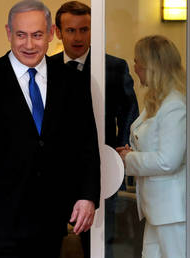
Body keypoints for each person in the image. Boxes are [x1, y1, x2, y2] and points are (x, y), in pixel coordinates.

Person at [0, 1, 101, 257]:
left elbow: (86, 144)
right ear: (9, 33)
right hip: (0, 216)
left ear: (51, 33)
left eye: (37, 35)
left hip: (52, 216)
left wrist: (88, 196)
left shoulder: (73, 82)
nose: (29, 45)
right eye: (21, 35)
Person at [51, 2, 139, 257]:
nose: (78, 37)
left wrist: (119, 155)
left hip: (101, 170)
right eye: (70, 30)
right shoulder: (46, 68)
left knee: (100, 245)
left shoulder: (114, 67)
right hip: (53, 173)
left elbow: (129, 112)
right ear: (58, 32)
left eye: (84, 29)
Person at [117, 35, 188, 258]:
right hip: (158, 209)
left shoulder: (175, 105)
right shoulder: (157, 102)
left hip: (174, 210)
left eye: (137, 61)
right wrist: (131, 153)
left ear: (151, 66)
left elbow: (168, 160)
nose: (135, 67)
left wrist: (128, 159)